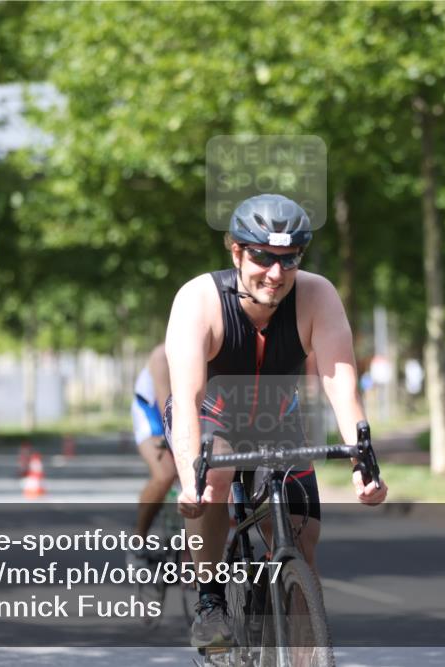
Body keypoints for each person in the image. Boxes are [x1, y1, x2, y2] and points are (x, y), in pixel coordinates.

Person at [164, 193, 389, 648]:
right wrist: (191, 477)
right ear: (236, 251)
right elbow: (187, 398)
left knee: (304, 543)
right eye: (263, 257)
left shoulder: (317, 295)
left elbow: (340, 385)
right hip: (212, 418)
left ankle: (300, 639)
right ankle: (210, 602)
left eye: (289, 260)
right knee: (218, 474)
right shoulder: (200, 300)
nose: (275, 272)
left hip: (277, 420)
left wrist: (364, 465)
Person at [128, 343, 178, 566]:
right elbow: (167, 407)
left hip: (187, 411)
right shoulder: (162, 356)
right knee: (165, 474)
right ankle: (138, 539)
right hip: (153, 415)